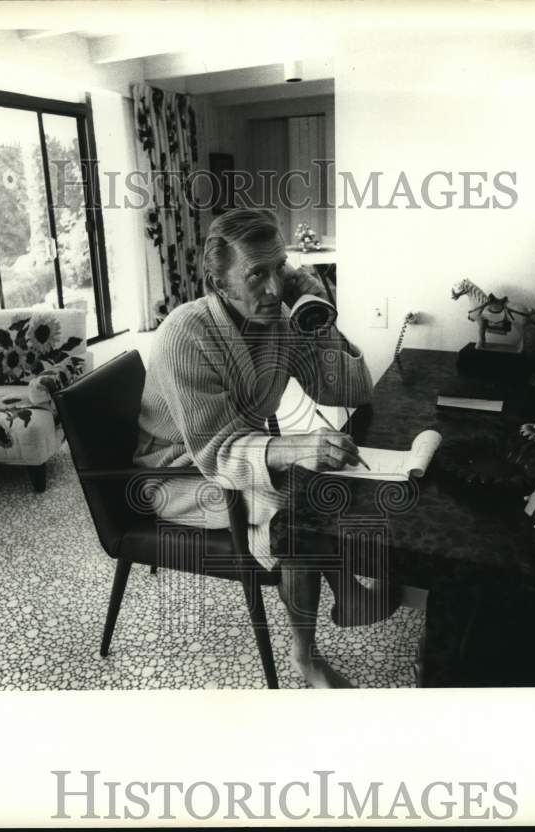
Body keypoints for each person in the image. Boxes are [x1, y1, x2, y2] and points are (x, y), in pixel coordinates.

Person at [134, 208, 396, 688]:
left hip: (233, 453)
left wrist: (320, 318)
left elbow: (353, 389)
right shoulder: (184, 335)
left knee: (319, 472)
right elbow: (215, 453)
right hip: (177, 473)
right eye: (257, 273)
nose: (275, 287)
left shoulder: (280, 321)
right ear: (219, 282)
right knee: (291, 508)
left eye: (281, 268)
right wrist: (295, 448)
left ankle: (348, 591)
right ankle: (305, 656)